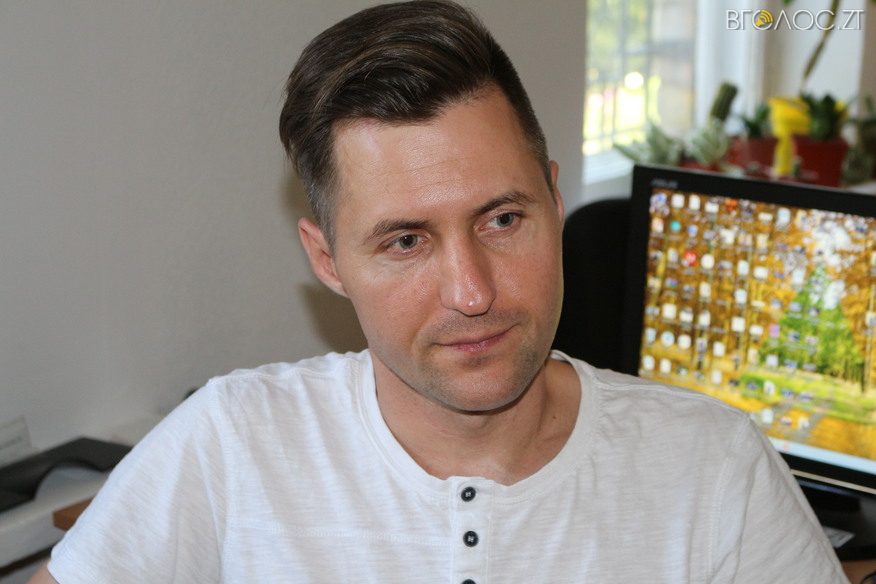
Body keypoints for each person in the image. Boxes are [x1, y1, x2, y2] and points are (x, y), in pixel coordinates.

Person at [31, 1, 846, 582]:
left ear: (554, 201)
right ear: (327, 260)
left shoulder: (712, 469)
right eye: (406, 241)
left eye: (502, 219)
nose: (472, 292)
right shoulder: (229, 444)